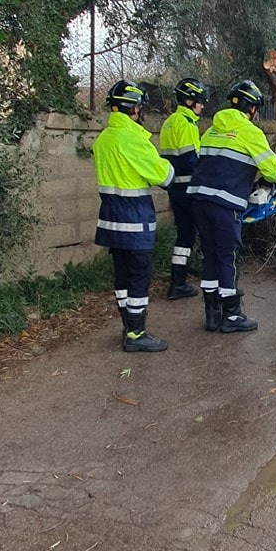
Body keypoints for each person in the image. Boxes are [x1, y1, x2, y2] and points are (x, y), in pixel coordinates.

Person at [187, 79, 276, 334]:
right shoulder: (250, 132)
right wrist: (270, 184)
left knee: (210, 254)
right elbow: (272, 168)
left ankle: (212, 313)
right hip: (225, 205)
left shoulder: (211, 131)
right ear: (251, 108)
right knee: (228, 257)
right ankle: (232, 314)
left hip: (198, 200)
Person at [93, 80, 175, 352]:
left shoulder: (103, 140)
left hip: (110, 217)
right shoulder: (135, 141)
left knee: (122, 276)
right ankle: (137, 334)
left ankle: (128, 327)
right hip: (134, 218)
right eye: (139, 107)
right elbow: (163, 176)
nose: (141, 111)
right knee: (140, 276)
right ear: (133, 109)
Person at [159, 77, 210, 299]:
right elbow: (193, 160)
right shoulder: (187, 124)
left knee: (185, 235)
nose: (202, 106)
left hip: (175, 189)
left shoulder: (169, 122)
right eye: (200, 101)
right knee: (205, 232)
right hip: (190, 189)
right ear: (189, 101)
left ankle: (177, 281)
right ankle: (207, 278)